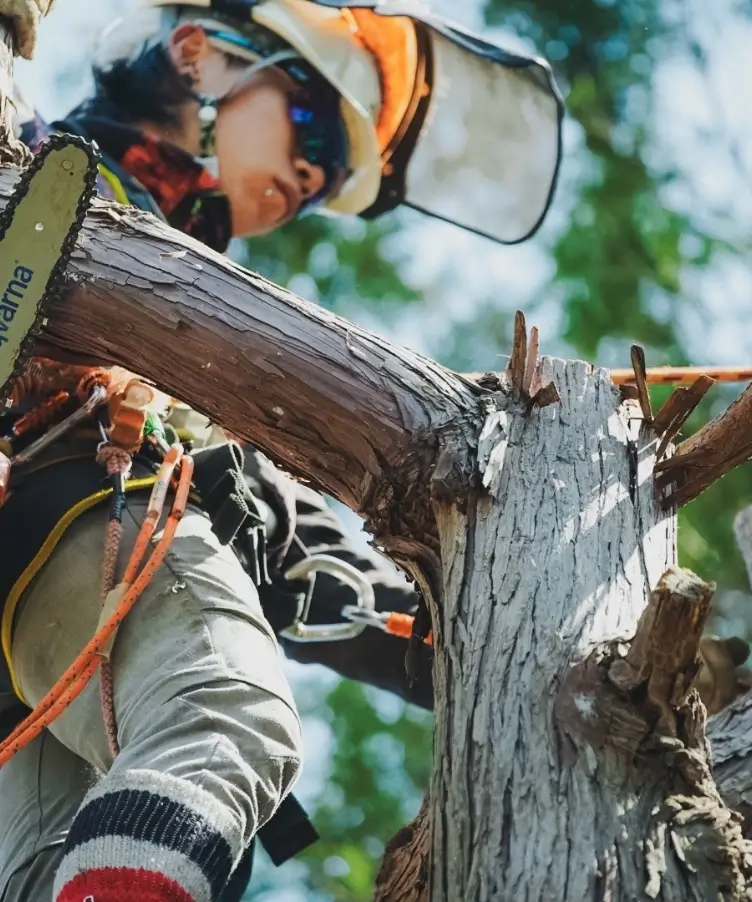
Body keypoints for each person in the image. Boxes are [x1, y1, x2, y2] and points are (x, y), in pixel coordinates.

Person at [0, 1, 564, 900]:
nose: (312, 172)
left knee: (81, 852)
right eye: (311, 120)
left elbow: (293, 542)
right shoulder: (47, 167)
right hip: (73, 502)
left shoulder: (192, 280)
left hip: (40, 602)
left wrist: (461, 626)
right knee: (226, 717)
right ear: (195, 52)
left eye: (330, 173)